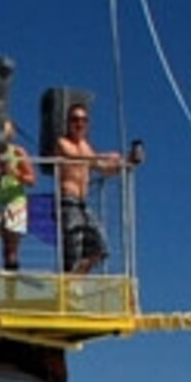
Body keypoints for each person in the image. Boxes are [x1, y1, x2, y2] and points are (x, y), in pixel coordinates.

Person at [50, 96, 124, 275]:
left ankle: (76, 280)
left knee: (100, 247)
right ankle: (71, 281)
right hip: (68, 201)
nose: (79, 123)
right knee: (73, 248)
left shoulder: (86, 146)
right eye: (75, 119)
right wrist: (105, 156)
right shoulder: (62, 143)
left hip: (83, 203)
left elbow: (101, 168)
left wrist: (123, 165)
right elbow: (75, 158)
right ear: (68, 123)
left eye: (84, 120)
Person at [0, 131, 36, 269]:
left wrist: (14, 172)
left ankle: (10, 279)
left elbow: (32, 180)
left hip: (14, 203)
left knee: (11, 247)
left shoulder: (17, 152)